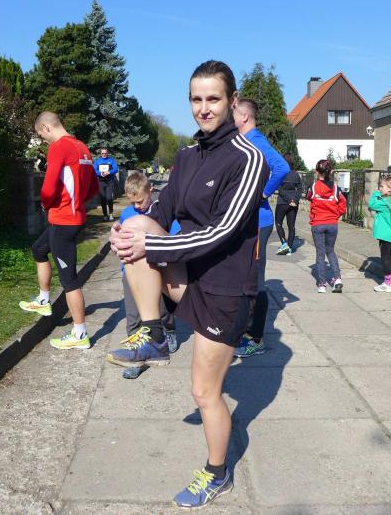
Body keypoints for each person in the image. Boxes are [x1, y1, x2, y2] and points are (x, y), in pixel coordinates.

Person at [106, 60, 268, 509]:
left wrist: (154, 247)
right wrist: (125, 233)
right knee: (135, 225)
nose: (204, 108)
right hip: (189, 276)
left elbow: (223, 231)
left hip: (226, 291)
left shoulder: (248, 158)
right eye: (196, 99)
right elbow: (160, 214)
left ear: (232, 101)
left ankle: (217, 474)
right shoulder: (186, 156)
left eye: (213, 98)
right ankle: (154, 334)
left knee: (204, 392)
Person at [18, 112, 99, 349]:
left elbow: (48, 187)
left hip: (64, 220)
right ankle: (43, 300)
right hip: (72, 217)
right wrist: (76, 202)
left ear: (46, 127)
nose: (44, 141)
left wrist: (47, 204)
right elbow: (93, 188)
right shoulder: (82, 147)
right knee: (38, 249)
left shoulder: (59, 147)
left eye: (41, 135)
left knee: (69, 280)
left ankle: (80, 334)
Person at [231, 98, 289, 359]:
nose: (230, 117)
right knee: (243, 277)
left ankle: (255, 338)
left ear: (244, 116)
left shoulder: (256, 141)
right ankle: (242, 330)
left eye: (234, 113)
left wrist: (263, 193)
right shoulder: (243, 141)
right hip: (245, 222)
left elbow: (282, 167)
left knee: (256, 280)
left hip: (258, 222)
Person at [118, 172, 179, 354]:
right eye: (132, 203)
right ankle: (136, 344)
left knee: (162, 308)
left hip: (159, 268)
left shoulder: (163, 210)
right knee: (133, 311)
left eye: (140, 201)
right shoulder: (127, 214)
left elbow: (173, 238)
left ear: (150, 191)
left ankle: (169, 330)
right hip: (131, 269)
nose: (137, 206)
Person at [306, 159, 346, 293]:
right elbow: (343, 205)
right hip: (332, 224)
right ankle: (337, 278)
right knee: (330, 250)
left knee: (320, 253)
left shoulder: (313, 187)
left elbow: (309, 197)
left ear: (317, 172)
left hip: (318, 223)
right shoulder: (336, 189)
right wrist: (336, 215)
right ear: (331, 172)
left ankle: (322, 284)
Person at [369, 175, 391, 293]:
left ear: (390, 189)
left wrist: (375, 193)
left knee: (385, 259)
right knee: (388, 258)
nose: (379, 188)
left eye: (382, 186)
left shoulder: (384, 202)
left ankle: (388, 283)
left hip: (385, 235)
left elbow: (371, 204)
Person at [275, 153, 303, 255]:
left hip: (282, 202)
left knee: (278, 223)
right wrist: (295, 200)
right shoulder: (296, 174)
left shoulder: (281, 173)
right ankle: (289, 248)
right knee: (291, 226)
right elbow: (300, 189)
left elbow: (279, 188)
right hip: (294, 203)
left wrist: (288, 200)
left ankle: (284, 244)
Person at [93, 147, 119, 221]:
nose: (104, 154)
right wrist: (100, 173)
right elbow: (94, 170)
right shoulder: (98, 161)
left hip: (109, 182)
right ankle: (105, 215)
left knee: (109, 198)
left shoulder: (111, 160)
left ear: (107, 153)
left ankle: (111, 214)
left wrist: (109, 172)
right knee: (103, 198)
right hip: (101, 182)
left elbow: (116, 169)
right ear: (100, 154)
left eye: (105, 153)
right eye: (102, 153)